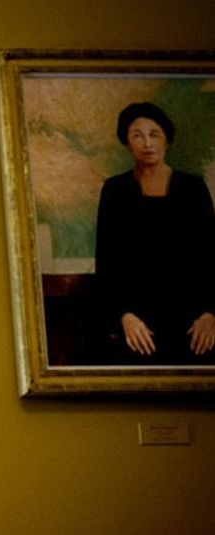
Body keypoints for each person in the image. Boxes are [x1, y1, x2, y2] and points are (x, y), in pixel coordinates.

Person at [95, 101, 215, 364]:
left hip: (193, 319)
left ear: (167, 141)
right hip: (136, 320)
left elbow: (211, 254)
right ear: (127, 142)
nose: (147, 143)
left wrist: (210, 313)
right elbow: (106, 261)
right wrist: (123, 316)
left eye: (154, 134)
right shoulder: (116, 190)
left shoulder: (192, 188)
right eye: (137, 135)